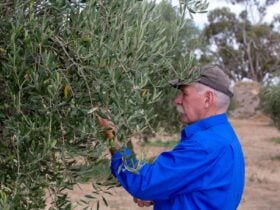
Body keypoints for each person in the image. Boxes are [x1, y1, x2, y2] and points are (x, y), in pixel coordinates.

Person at [99, 65, 245, 210]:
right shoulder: (225, 136)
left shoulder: (206, 145)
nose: (177, 100)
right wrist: (161, 197)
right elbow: (205, 192)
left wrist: (110, 135)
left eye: (184, 93)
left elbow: (144, 183)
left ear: (208, 98)